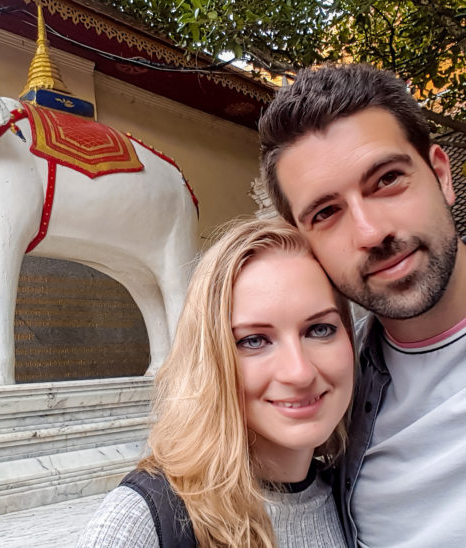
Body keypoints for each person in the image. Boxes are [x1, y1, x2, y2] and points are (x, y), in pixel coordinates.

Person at [258, 63, 466, 547]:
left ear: (440, 174)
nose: (372, 233)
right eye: (327, 213)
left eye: (388, 180)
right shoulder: (322, 389)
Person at [78, 217, 354, 547]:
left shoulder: (357, 498)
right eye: (254, 340)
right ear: (210, 359)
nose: (299, 372)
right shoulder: (142, 520)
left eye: (319, 329)